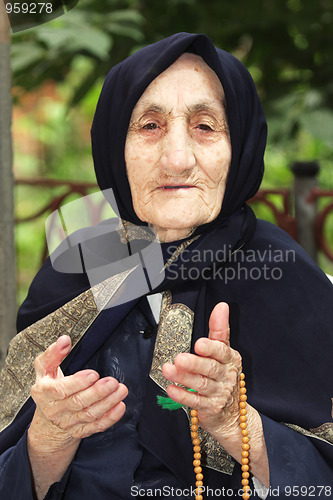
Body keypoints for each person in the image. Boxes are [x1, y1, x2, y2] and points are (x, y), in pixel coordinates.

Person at [0, 32, 332, 500]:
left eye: (205, 126)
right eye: (150, 126)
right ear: (116, 145)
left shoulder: (284, 273)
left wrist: (235, 422)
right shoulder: (80, 258)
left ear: (240, 147)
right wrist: (50, 437)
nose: (177, 160)